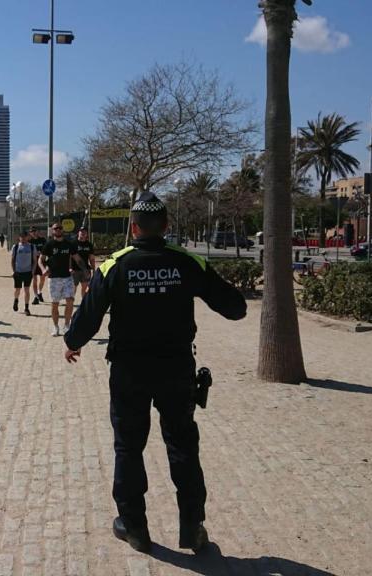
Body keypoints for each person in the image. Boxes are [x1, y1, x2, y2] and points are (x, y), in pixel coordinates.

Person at [62, 192, 246, 554]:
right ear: (166, 226)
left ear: (133, 228)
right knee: (182, 445)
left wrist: (73, 341)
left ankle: (134, 528)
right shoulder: (187, 262)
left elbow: (89, 316)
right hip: (176, 369)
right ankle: (192, 527)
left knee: (129, 447)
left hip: (129, 371)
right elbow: (235, 309)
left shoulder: (115, 265)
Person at [39, 223, 79, 336]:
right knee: (55, 304)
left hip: (67, 277)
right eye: (55, 228)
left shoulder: (69, 244)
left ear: (63, 230)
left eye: (60, 228)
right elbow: (40, 260)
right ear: (52, 231)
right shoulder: (49, 244)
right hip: (54, 278)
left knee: (70, 300)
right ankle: (55, 327)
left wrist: (85, 270)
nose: (58, 230)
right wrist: (43, 269)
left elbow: (77, 258)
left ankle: (67, 325)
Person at [10, 230, 35, 315]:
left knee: (27, 290)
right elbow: (12, 260)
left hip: (28, 272)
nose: (23, 238)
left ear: (28, 237)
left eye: (25, 237)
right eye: (21, 237)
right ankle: (16, 300)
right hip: (18, 272)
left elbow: (35, 260)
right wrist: (13, 271)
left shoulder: (32, 247)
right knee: (17, 289)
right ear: (19, 237)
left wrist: (33, 271)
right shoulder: (16, 247)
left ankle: (26, 308)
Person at [72, 228, 96, 299]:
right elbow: (69, 258)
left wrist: (94, 270)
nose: (83, 233)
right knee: (73, 288)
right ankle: (70, 303)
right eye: (81, 231)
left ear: (87, 234)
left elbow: (91, 258)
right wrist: (69, 268)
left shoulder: (89, 245)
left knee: (85, 288)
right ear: (78, 233)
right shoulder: (73, 243)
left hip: (85, 269)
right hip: (74, 270)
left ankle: (83, 303)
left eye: (85, 232)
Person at [29, 227, 47, 305]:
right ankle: (36, 297)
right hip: (33, 262)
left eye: (34, 231)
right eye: (31, 231)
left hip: (42, 262)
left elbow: (47, 249)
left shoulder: (43, 240)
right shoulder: (29, 241)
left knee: (42, 279)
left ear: (37, 231)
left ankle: (39, 292)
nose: (33, 232)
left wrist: (42, 253)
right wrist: (34, 254)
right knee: (34, 280)